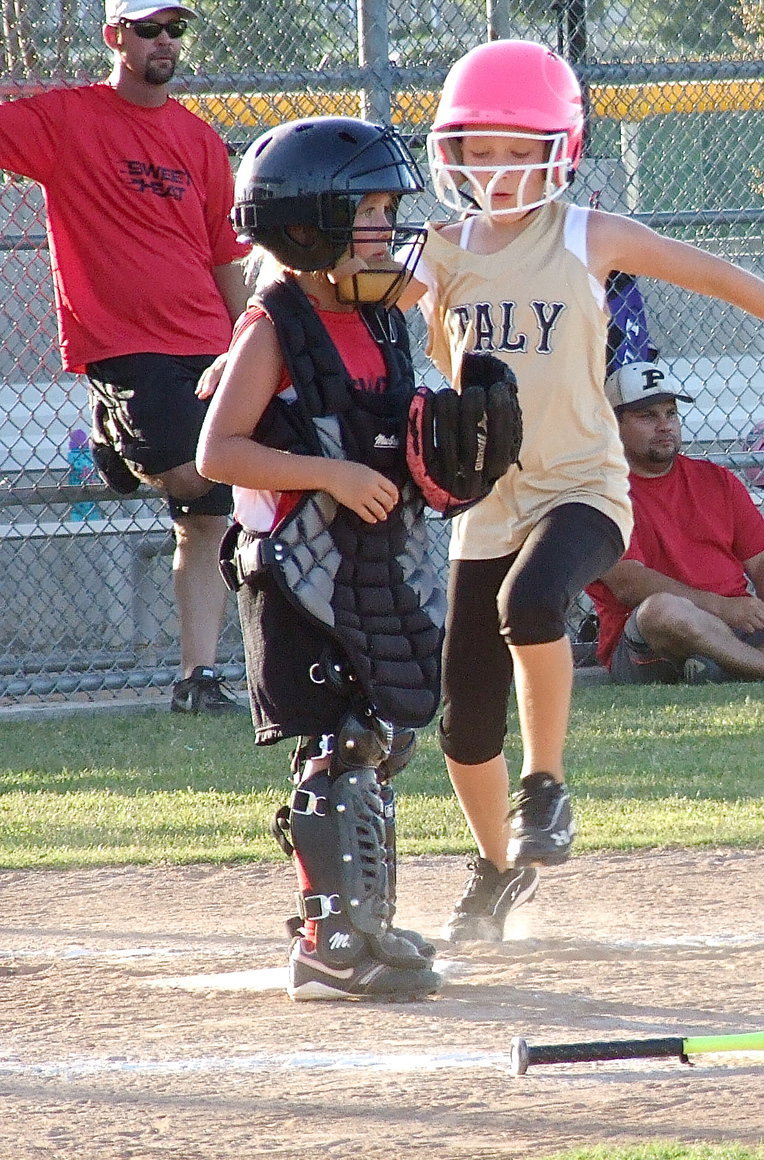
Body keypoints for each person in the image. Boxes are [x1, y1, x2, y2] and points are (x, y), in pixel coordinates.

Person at [399, 38, 764, 943]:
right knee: (463, 722)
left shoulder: (587, 234)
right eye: (477, 149)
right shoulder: (439, 251)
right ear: (450, 154)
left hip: (584, 484)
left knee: (535, 600)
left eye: (518, 148)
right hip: (488, 502)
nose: (496, 170)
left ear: (561, 149)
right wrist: (257, 333)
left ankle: (545, 790)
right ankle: (496, 872)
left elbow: (717, 275)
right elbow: (352, 307)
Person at [196, 116, 448, 1002]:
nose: (389, 227)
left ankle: (366, 922)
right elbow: (219, 452)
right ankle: (325, 937)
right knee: (335, 743)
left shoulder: (378, 315)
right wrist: (330, 473)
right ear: (310, 227)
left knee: (380, 736)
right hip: (292, 567)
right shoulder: (273, 326)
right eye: (373, 210)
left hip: (369, 556)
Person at [0, 1, 250, 714]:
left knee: (207, 515)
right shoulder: (65, 119)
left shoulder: (199, 140)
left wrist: (247, 338)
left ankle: (197, 679)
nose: (165, 42)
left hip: (205, 338)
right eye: (149, 30)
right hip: (127, 344)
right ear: (115, 38)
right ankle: (117, 432)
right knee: (187, 476)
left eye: (176, 30)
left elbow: (224, 253)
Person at [585, 361, 764, 685]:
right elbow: (629, 583)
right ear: (612, 424)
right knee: (662, 610)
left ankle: (728, 668)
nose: (664, 425)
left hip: (738, 627)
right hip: (659, 640)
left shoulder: (716, 479)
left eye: (671, 413)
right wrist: (722, 608)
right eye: (647, 416)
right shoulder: (599, 492)